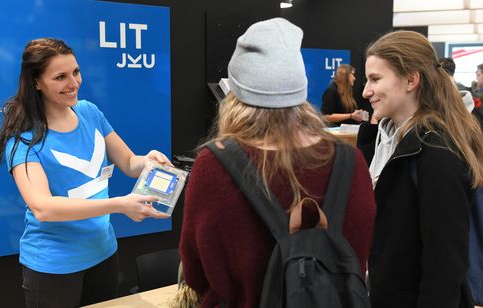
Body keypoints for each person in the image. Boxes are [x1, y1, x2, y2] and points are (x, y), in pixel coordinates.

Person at [179, 18, 376, 307]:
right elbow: (359, 257)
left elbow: (195, 276)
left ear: (234, 95)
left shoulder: (213, 167)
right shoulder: (351, 162)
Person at [0, 38, 171, 308]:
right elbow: (43, 207)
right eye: (60, 77)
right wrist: (119, 205)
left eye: (75, 72)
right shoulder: (24, 141)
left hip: (103, 254)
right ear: (36, 83)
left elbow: (128, 162)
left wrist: (147, 161)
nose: (73, 82)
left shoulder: (90, 112)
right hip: (53, 267)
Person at [356, 30, 483, 308]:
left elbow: (445, 265)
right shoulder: (389, 139)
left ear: (411, 80)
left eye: (376, 79)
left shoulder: (438, 153)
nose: (366, 91)